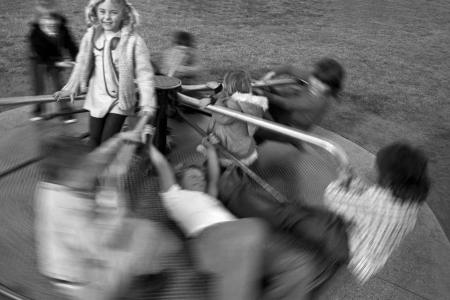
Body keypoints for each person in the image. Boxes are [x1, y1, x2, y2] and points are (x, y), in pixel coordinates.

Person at [34, 131, 180, 300]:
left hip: (84, 248)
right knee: (134, 250)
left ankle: (143, 274)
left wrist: (120, 139)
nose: (90, 172)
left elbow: (95, 160)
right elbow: (97, 244)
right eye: (84, 169)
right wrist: (112, 206)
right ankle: (132, 287)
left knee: (149, 232)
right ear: (67, 174)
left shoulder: (63, 179)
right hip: (78, 276)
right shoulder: (62, 207)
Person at [149, 136, 267, 300]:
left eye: (201, 178)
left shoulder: (209, 196)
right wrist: (148, 143)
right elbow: (162, 165)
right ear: (180, 182)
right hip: (210, 238)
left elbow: (213, 174)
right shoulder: (174, 196)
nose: (199, 180)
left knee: (250, 264)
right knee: (254, 228)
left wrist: (211, 150)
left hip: (234, 236)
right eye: (192, 177)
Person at [54, 0, 156, 149]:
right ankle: (93, 171)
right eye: (102, 11)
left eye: (113, 12)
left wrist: (147, 104)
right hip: (97, 96)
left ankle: (104, 170)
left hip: (120, 99)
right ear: (95, 11)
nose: (107, 17)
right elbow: (82, 61)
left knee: (106, 144)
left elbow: (145, 75)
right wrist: (71, 87)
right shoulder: (92, 35)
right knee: (93, 141)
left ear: (124, 13)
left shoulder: (134, 41)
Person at [323, 142, 430, 283]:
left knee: (296, 216)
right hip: (376, 257)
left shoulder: (377, 202)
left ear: (388, 178)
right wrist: (354, 180)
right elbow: (369, 200)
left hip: (356, 253)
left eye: (378, 166)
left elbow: (332, 198)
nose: (373, 167)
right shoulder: (412, 202)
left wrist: (341, 181)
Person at [254, 58, 345, 149]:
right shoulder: (315, 78)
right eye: (315, 78)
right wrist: (271, 74)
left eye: (323, 83)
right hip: (288, 115)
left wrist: (262, 93)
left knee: (255, 125)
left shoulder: (318, 101)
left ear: (332, 87)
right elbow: (289, 68)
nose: (315, 84)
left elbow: (287, 104)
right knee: (260, 94)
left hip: (293, 130)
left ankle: (258, 146)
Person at [199, 70, 268, 167]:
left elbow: (221, 116)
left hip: (233, 155)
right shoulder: (246, 101)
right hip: (245, 148)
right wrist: (218, 89)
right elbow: (226, 98)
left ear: (228, 88)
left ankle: (215, 166)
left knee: (215, 161)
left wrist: (212, 100)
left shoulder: (235, 105)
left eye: (224, 85)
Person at [29, 1, 78, 123]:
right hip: (38, 58)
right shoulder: (35, 34)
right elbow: (42, 56)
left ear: (58, 20)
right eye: (45, 19)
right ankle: (38, 110)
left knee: (59, 84)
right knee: (39, 86)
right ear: (39, 21)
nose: (50, 23)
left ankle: (66, 113)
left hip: (55, 57)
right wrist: (58, 63)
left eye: (53, 20)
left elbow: (71, 46)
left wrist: (77, 60)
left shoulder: (63, 29)